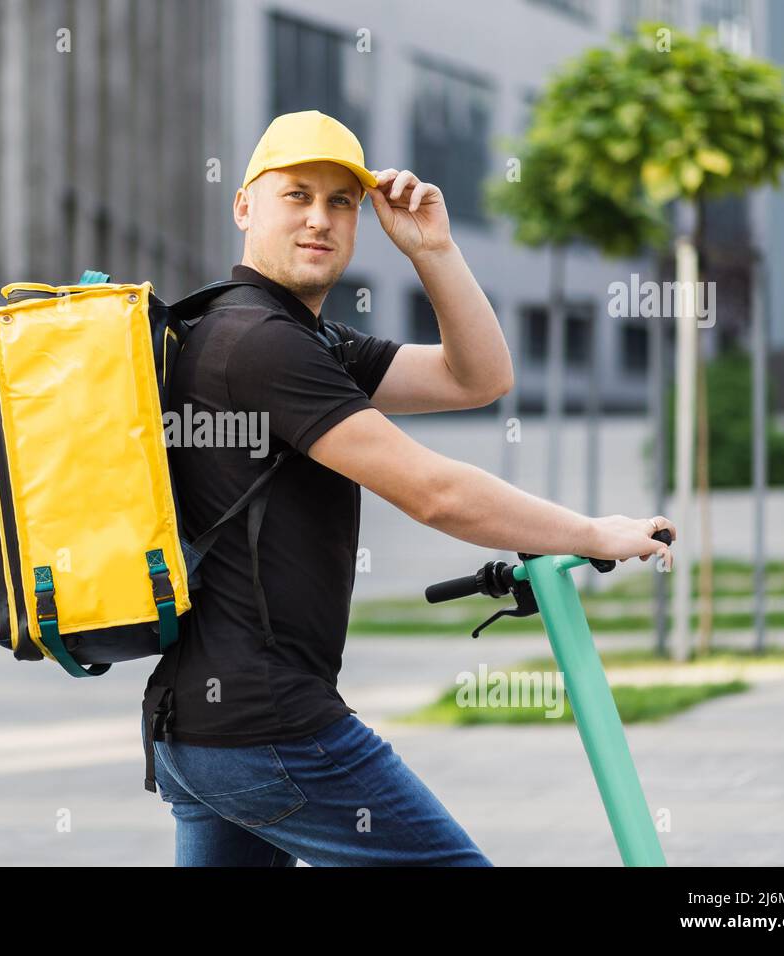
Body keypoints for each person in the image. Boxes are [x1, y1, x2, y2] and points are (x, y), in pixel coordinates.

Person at [140, 110, 677, 867]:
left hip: (203, 737)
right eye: (296, 196)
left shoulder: (286, 334)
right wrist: (591, 534)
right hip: (271, 732)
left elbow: (478, 377)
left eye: (340, 202)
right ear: (244, 207)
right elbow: (434, 493)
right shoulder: (258, 345)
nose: (319, 220)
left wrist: (434, 249)